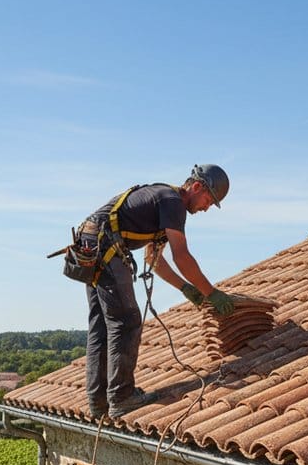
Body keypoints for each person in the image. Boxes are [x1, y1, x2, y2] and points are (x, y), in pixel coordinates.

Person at [82, 164, 236, 420]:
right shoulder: (173, 201)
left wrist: (186, 288)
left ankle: (99, 403)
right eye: (208, 200)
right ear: (196, 187)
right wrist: (211, 293)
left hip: (92, 246)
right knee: (126, 321)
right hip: (105, 246)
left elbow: (155, 260)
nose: (206, 207)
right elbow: (182, 256)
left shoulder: (163, 204)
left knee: (101, 326)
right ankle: (121, 397)